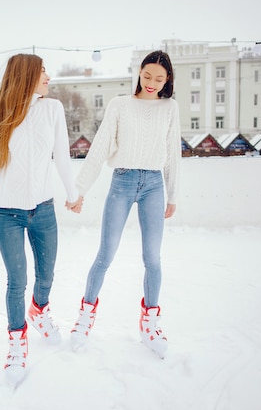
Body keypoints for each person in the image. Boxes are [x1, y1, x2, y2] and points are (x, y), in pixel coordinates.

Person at [0, 54, 82, 387]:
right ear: (27, 75)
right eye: (43, 71)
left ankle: (40, 310)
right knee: (16, 280)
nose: (48, 76)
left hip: (44, 209)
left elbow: (61, 154)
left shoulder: (53, 109)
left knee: (46, 275)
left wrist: (72, 194)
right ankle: (17, 342)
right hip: (8, 214)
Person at [69, 50, 181, 359]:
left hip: (154, 185)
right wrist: (79, 190)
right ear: (139, 72)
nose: (151, 83)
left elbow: (172, 153)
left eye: (159, 79)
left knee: (153, 258)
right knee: (105, 254)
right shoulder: (120, 105)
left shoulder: (170, 107)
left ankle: (151, 322)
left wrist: (172, 194)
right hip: (123, 180)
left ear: (167, 80)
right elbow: (101, 147)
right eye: (147, 76)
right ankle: (85, 317)